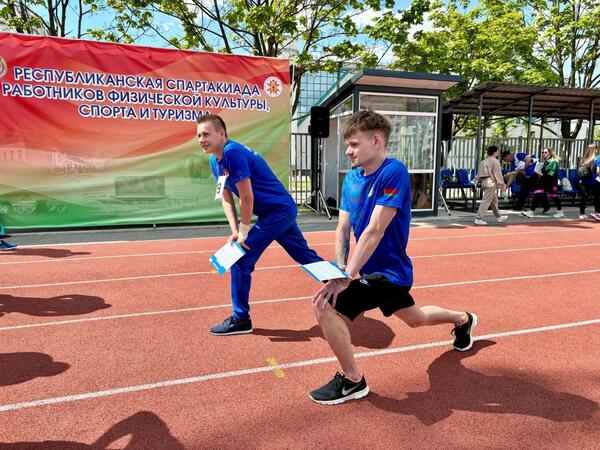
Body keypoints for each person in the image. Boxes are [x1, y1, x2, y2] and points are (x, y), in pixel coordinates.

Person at [309, 110, 477, 405]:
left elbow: (375, 230)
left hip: (391, 275)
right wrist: (338, 267)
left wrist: (346, 277)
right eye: (348, 145)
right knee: (416, 319)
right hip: (369, 272)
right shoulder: (351, 180)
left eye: (354, 144)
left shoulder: (393, 172)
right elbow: (343, 227)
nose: (348, 151)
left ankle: (352, 381)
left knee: (326, 305)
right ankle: (463, 319)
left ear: (376, 140)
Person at [197, 114, 322, 335]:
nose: (201, 139)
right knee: (304, 255)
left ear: (221, 134)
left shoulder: (232, 153)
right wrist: (235, 231)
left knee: (240, 259)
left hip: (279, 211)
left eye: (206, 134)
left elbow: (247, 197)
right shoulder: (213, 161)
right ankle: (343, 284)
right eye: (198, 135)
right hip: (275, 213)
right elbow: (226, 197)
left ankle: (241, 319)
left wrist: (244, 232)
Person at [522, 147, 564, 219]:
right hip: (543, 182)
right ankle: (532, 211)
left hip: (551, 182)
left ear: (550, 153)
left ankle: (560, 211)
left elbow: (551, 174)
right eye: (542, 152)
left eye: (545, 152)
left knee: (554, 196)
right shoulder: (545, 162)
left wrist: (541, 174)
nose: (543, 154)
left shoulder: (554, 162)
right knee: (537, 193)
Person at [473, 146, 508, 226]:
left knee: (493, 201)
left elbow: (478, 175)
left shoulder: (483, 161)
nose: (498, 153)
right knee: (486, 201)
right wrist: (503, 185)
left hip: (484, 182)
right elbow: (498, 174)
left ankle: (499, 216)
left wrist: (475, 183)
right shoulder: (495, 161)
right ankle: (478, 218)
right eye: (497, 151)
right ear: (495, 152)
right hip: (491, 182)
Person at [577, 143, 600, 221]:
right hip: (593, 181)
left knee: (584, 197)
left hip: (583, 180)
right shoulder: (598, 158)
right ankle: (597, 212)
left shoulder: (584, 159)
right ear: (596, 149)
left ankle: (582, 213)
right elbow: (598, 171)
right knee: (597, 197)